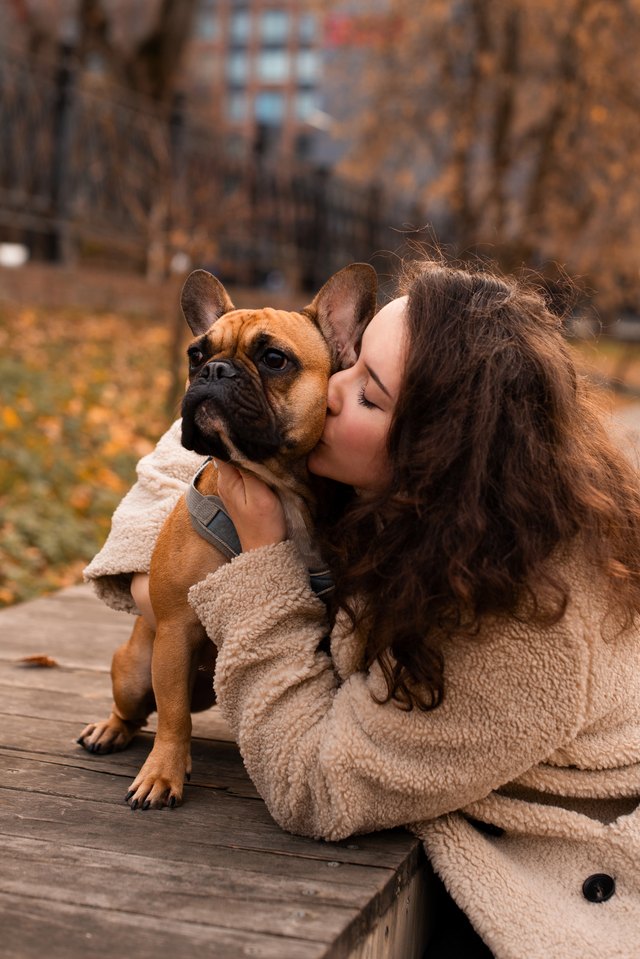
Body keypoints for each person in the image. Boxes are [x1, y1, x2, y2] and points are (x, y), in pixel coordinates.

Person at [84, 258, 640, 958]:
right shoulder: (401, 492)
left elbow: (315, 787)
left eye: (365, 389)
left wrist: (258, 561)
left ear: (434, 453)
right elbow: (183, 453)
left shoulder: (517, 630)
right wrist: (151, 581)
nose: (333, 393)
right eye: (345, 361)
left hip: (551, 881)